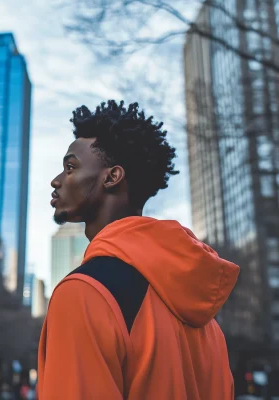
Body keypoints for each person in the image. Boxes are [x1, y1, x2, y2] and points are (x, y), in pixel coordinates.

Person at [37, 100, 240, 399]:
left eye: (70, 167)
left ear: (112, 177)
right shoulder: (206, 321)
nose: (56, 180)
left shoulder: (84, 294)